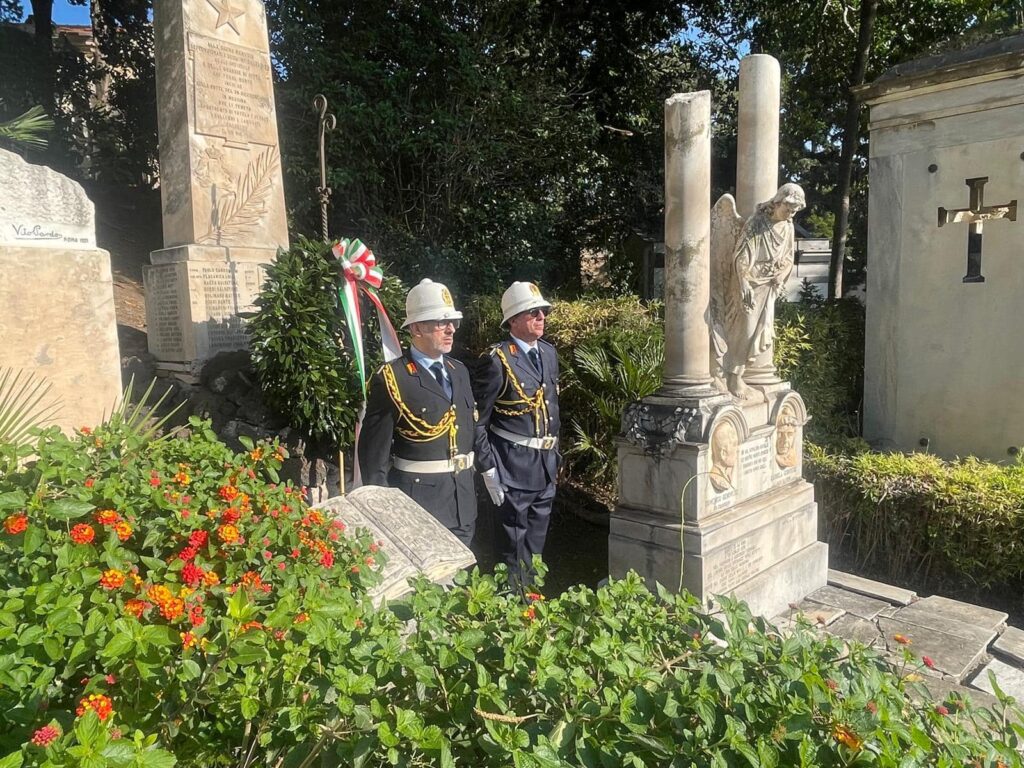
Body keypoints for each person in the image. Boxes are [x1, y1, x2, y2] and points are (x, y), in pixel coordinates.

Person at [358, 279, 480, 545]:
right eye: (439, 322)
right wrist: (381, 508)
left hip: (463, 502)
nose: (450, 329)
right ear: (416, 328)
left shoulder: (459, 371)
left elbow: (471, 427)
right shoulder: (393, 378)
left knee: (462, 582)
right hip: (419, 504)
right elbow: (373, 454)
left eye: (453, 322)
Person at [473, 281, 560, 586]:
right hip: (511, 468)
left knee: (536, 549)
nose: (541, 316)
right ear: (512, 320)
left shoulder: (548, 353)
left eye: (543, 311)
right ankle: (511, 614)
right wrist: (488, 469)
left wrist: (554, 458)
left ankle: (533, 604)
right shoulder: (497, 360)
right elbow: (478, 421)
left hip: (545, 467)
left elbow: (549, 409)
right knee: (511, 551)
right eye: (533, 312)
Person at [725, 182, 806, 396]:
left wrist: (781, 273)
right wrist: (743, 282)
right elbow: (742, 255)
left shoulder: (788, 227)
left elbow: (788, 258)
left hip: (769, 285)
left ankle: (736, 375)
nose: (790, 213)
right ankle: (732, 376)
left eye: (794, 210)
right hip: (750, 284)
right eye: (788, 208)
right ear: (778, 202)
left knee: (759, 331)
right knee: (746, 329)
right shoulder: (757, 222)